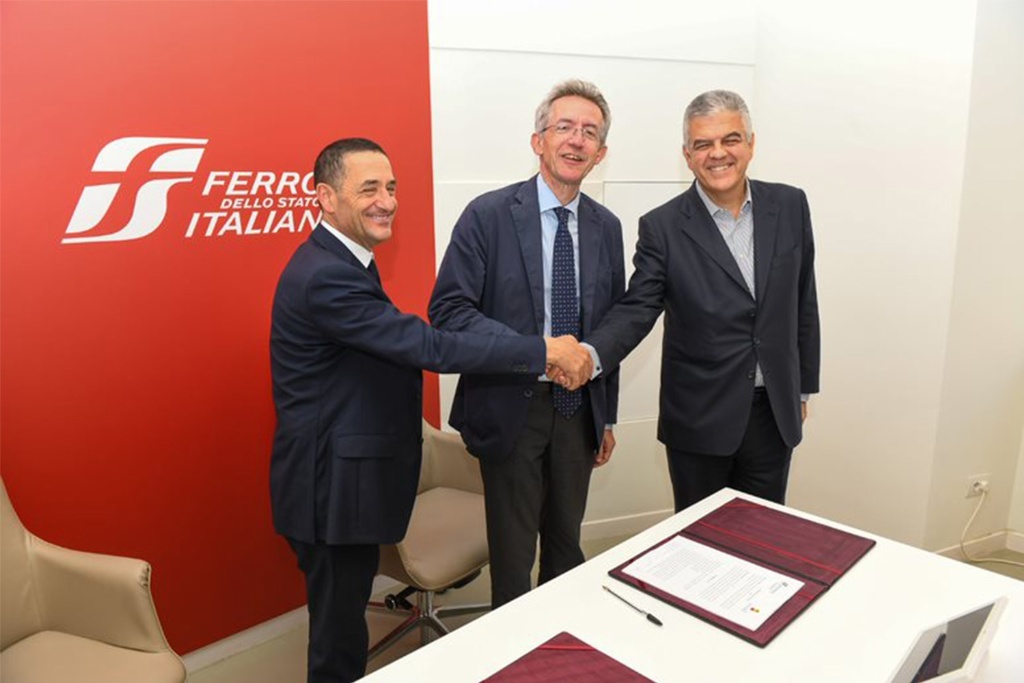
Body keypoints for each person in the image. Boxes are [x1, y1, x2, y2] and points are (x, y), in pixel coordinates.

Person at [269, 137, 591, 683]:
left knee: (343, 630)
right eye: (368, 189)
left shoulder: (346, 260)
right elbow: (431, 347)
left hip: (345, 483)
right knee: (338, 645)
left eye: (391, 187)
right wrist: (543, 350)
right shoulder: (326, 275)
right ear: (325, 197)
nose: (386, 202)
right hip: (330, 491)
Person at [428, 80, 625, 608]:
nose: (576, 140)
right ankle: (512, 648)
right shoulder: (487, 215)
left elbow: (610, 329)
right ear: (539, 141)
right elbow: (449, 312)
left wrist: (605, 416)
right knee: (513, 558)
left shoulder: (607, 227)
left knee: (565, 547)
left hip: (578, 409)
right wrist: (540, 350)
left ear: (601, 153)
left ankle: (559, 640)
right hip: (510, 405)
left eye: (589, 132)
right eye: (564, 127)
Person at [586, 89, 820, 511]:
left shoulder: (790, 205)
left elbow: (804, 301)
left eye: (730, 139)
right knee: (701, 541)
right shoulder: (662, 227)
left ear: (750, 143)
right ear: (687, 155)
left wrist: (802, 389)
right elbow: (638, 308)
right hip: (700, 420)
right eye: (703, 144)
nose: (718, 153)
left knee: (765, 537)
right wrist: (589, 355)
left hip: (773, 415)